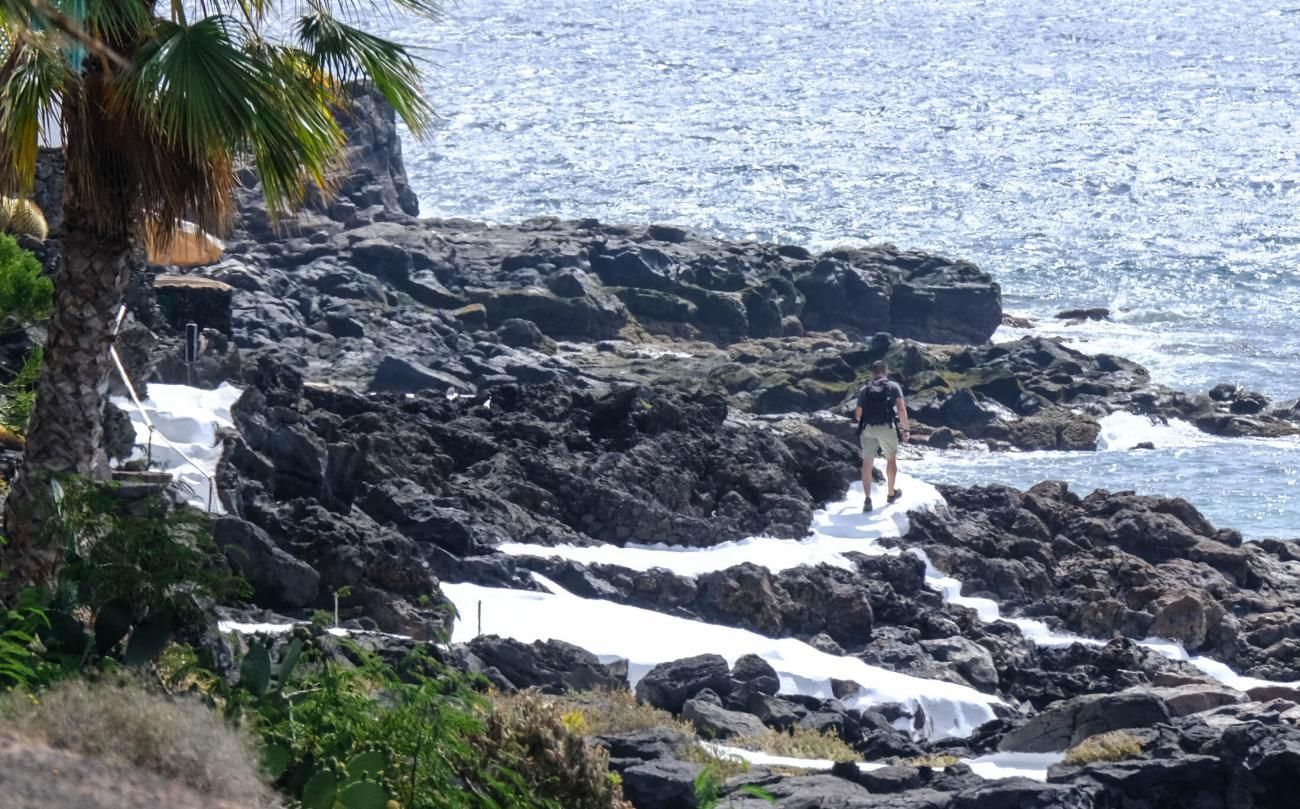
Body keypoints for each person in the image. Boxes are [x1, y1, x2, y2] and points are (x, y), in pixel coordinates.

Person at [853, 360, 910, 512]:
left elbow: (858, 414)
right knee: (890, 459)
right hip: (887, 427)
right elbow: (901, 409)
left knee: (867, 463)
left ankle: (867, 499)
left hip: (868, 429)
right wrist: (906, 429)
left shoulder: (865, 389)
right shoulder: (893, 386)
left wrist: (867, 420)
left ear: (873, 372)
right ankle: (891, 493)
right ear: (887, 371)